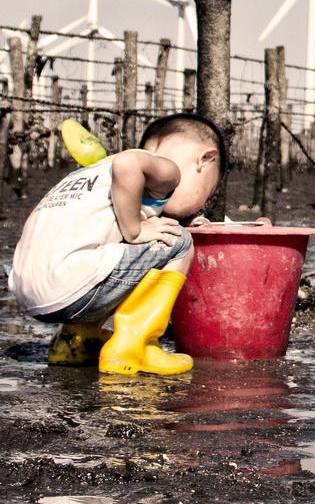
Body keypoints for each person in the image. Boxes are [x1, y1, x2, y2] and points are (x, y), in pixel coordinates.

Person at [9, 113, 224, 377]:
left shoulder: (97, 173)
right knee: (177, 240)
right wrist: (135, 230)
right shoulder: (167, 170)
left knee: (114, 247)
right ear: (205, 160)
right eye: (207, 192)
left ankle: (75, 342)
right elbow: (128, 162)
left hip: (29, 290)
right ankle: (135, 346)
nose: (202, 203)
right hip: (72, 289)